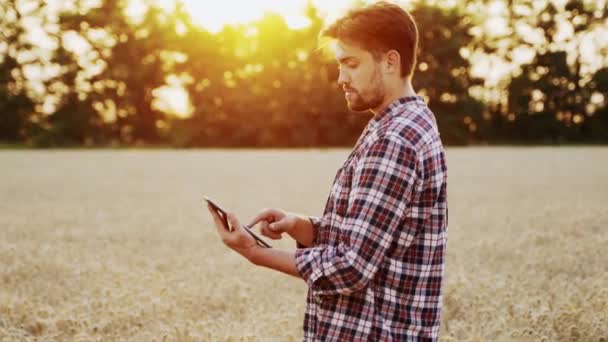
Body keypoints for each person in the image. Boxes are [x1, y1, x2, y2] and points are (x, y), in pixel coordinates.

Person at [207, 2, 448, 340]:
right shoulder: (406, 124)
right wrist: (301, 227)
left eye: (351, 64)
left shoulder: (395, 139)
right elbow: (372, 237)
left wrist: (255, 252)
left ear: (390, 62)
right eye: (340, 65)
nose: (341, 78)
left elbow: (352, 267)